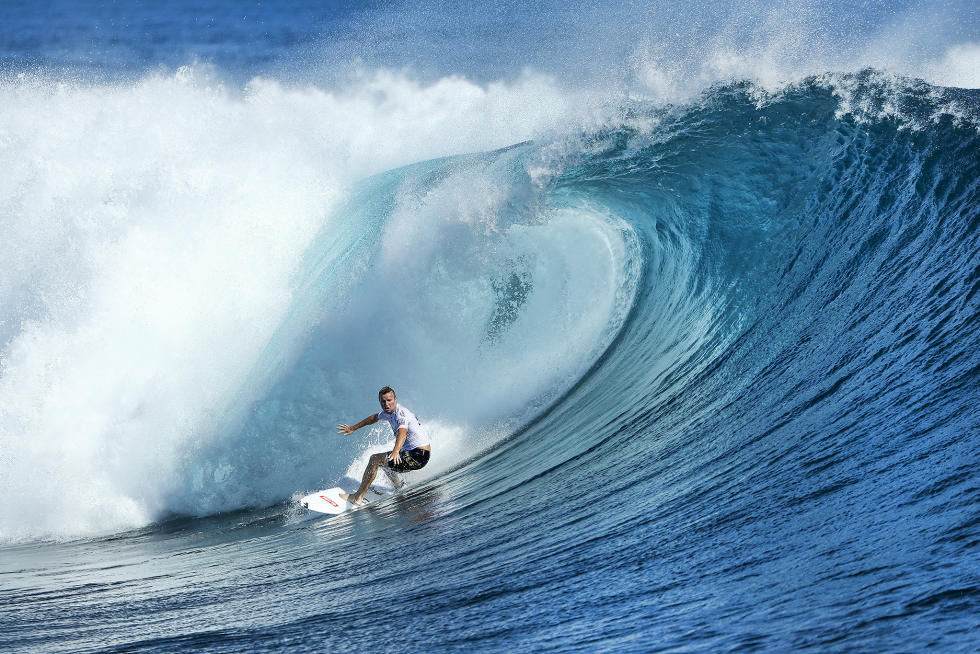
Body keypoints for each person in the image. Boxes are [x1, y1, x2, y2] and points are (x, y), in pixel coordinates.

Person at [336, 386, 431, 506]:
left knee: (375, 459)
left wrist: (396, 451)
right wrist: (353, 428)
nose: (386, 404)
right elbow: (373, 418)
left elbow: (402, 433)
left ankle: (357, 497)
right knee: (384, 461)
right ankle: (398, 486)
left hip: (418, 455)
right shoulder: (388, 413)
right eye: (383, 401)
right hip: (418, 454)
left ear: (395, 399)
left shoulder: (401, 413)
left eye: (389, 400)